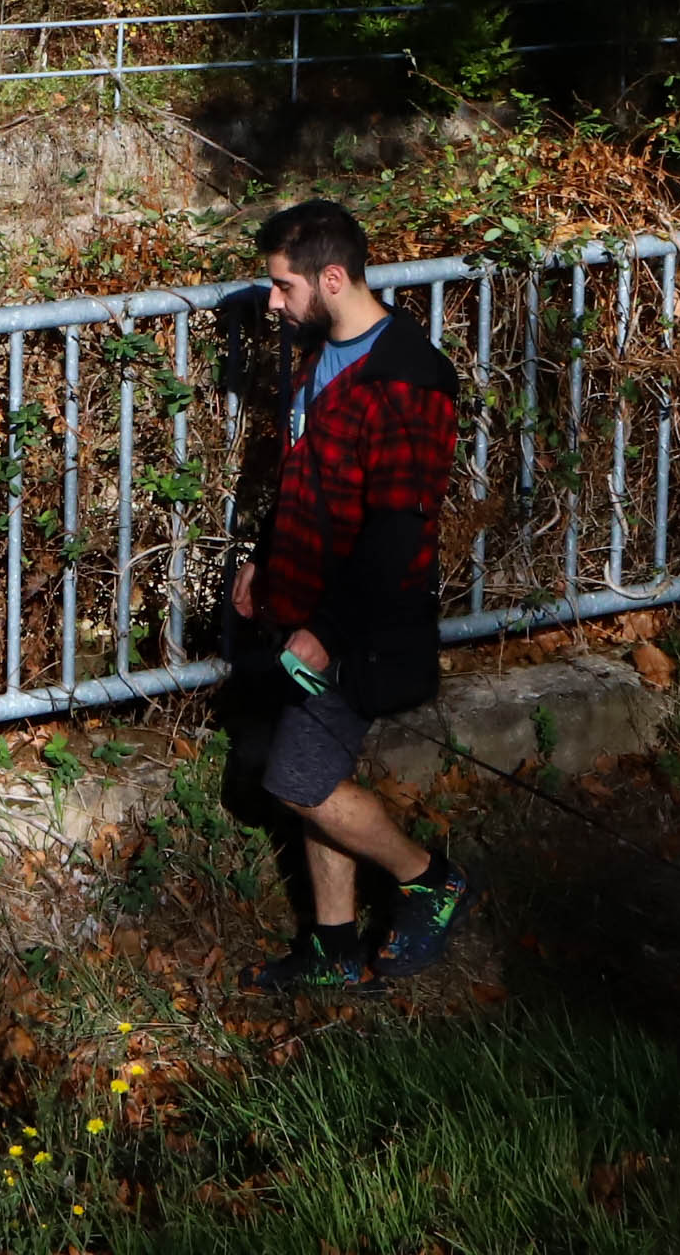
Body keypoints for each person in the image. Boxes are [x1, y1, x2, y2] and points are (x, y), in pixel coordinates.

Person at [225, 198, 469, 990]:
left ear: (333, 277)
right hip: (302, 610)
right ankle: (332, 946)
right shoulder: (317, 353)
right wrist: (263, 561)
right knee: (313, 773)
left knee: (297, 781)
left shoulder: (407, 378)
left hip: (359, 623)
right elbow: (306, 479)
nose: (272, 301)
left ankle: (430, 880)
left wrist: (328, 627)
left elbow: (398, 531)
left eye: (282, 285)